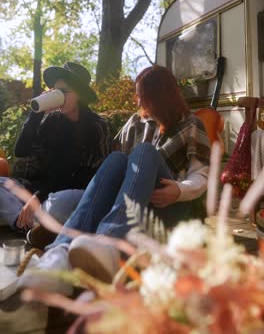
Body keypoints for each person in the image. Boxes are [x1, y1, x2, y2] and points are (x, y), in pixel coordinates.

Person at [18, 65, 210, 294]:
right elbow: (114, 167)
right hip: (135, 206)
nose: (138, 103)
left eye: (143, 96)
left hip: (171, 205)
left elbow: (202, 174)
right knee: (117, 158)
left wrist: (179, 190)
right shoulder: (136, 123)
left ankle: (108, 241)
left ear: (161, 96)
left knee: (145, 152)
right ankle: (58, 254)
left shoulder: (191, 125)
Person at [0, 61, 111, 232]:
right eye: (54, 91)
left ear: (79, 94)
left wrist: (37, 197)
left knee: (61, 204)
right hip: (39, 193)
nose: (58, 96)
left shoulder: (96, 126)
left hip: (67, 194)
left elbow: (83, 175)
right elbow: (21, 150)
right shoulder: (53, 121)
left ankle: (32, 221)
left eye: (63, 91)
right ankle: (24, 223)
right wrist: (36, 114)